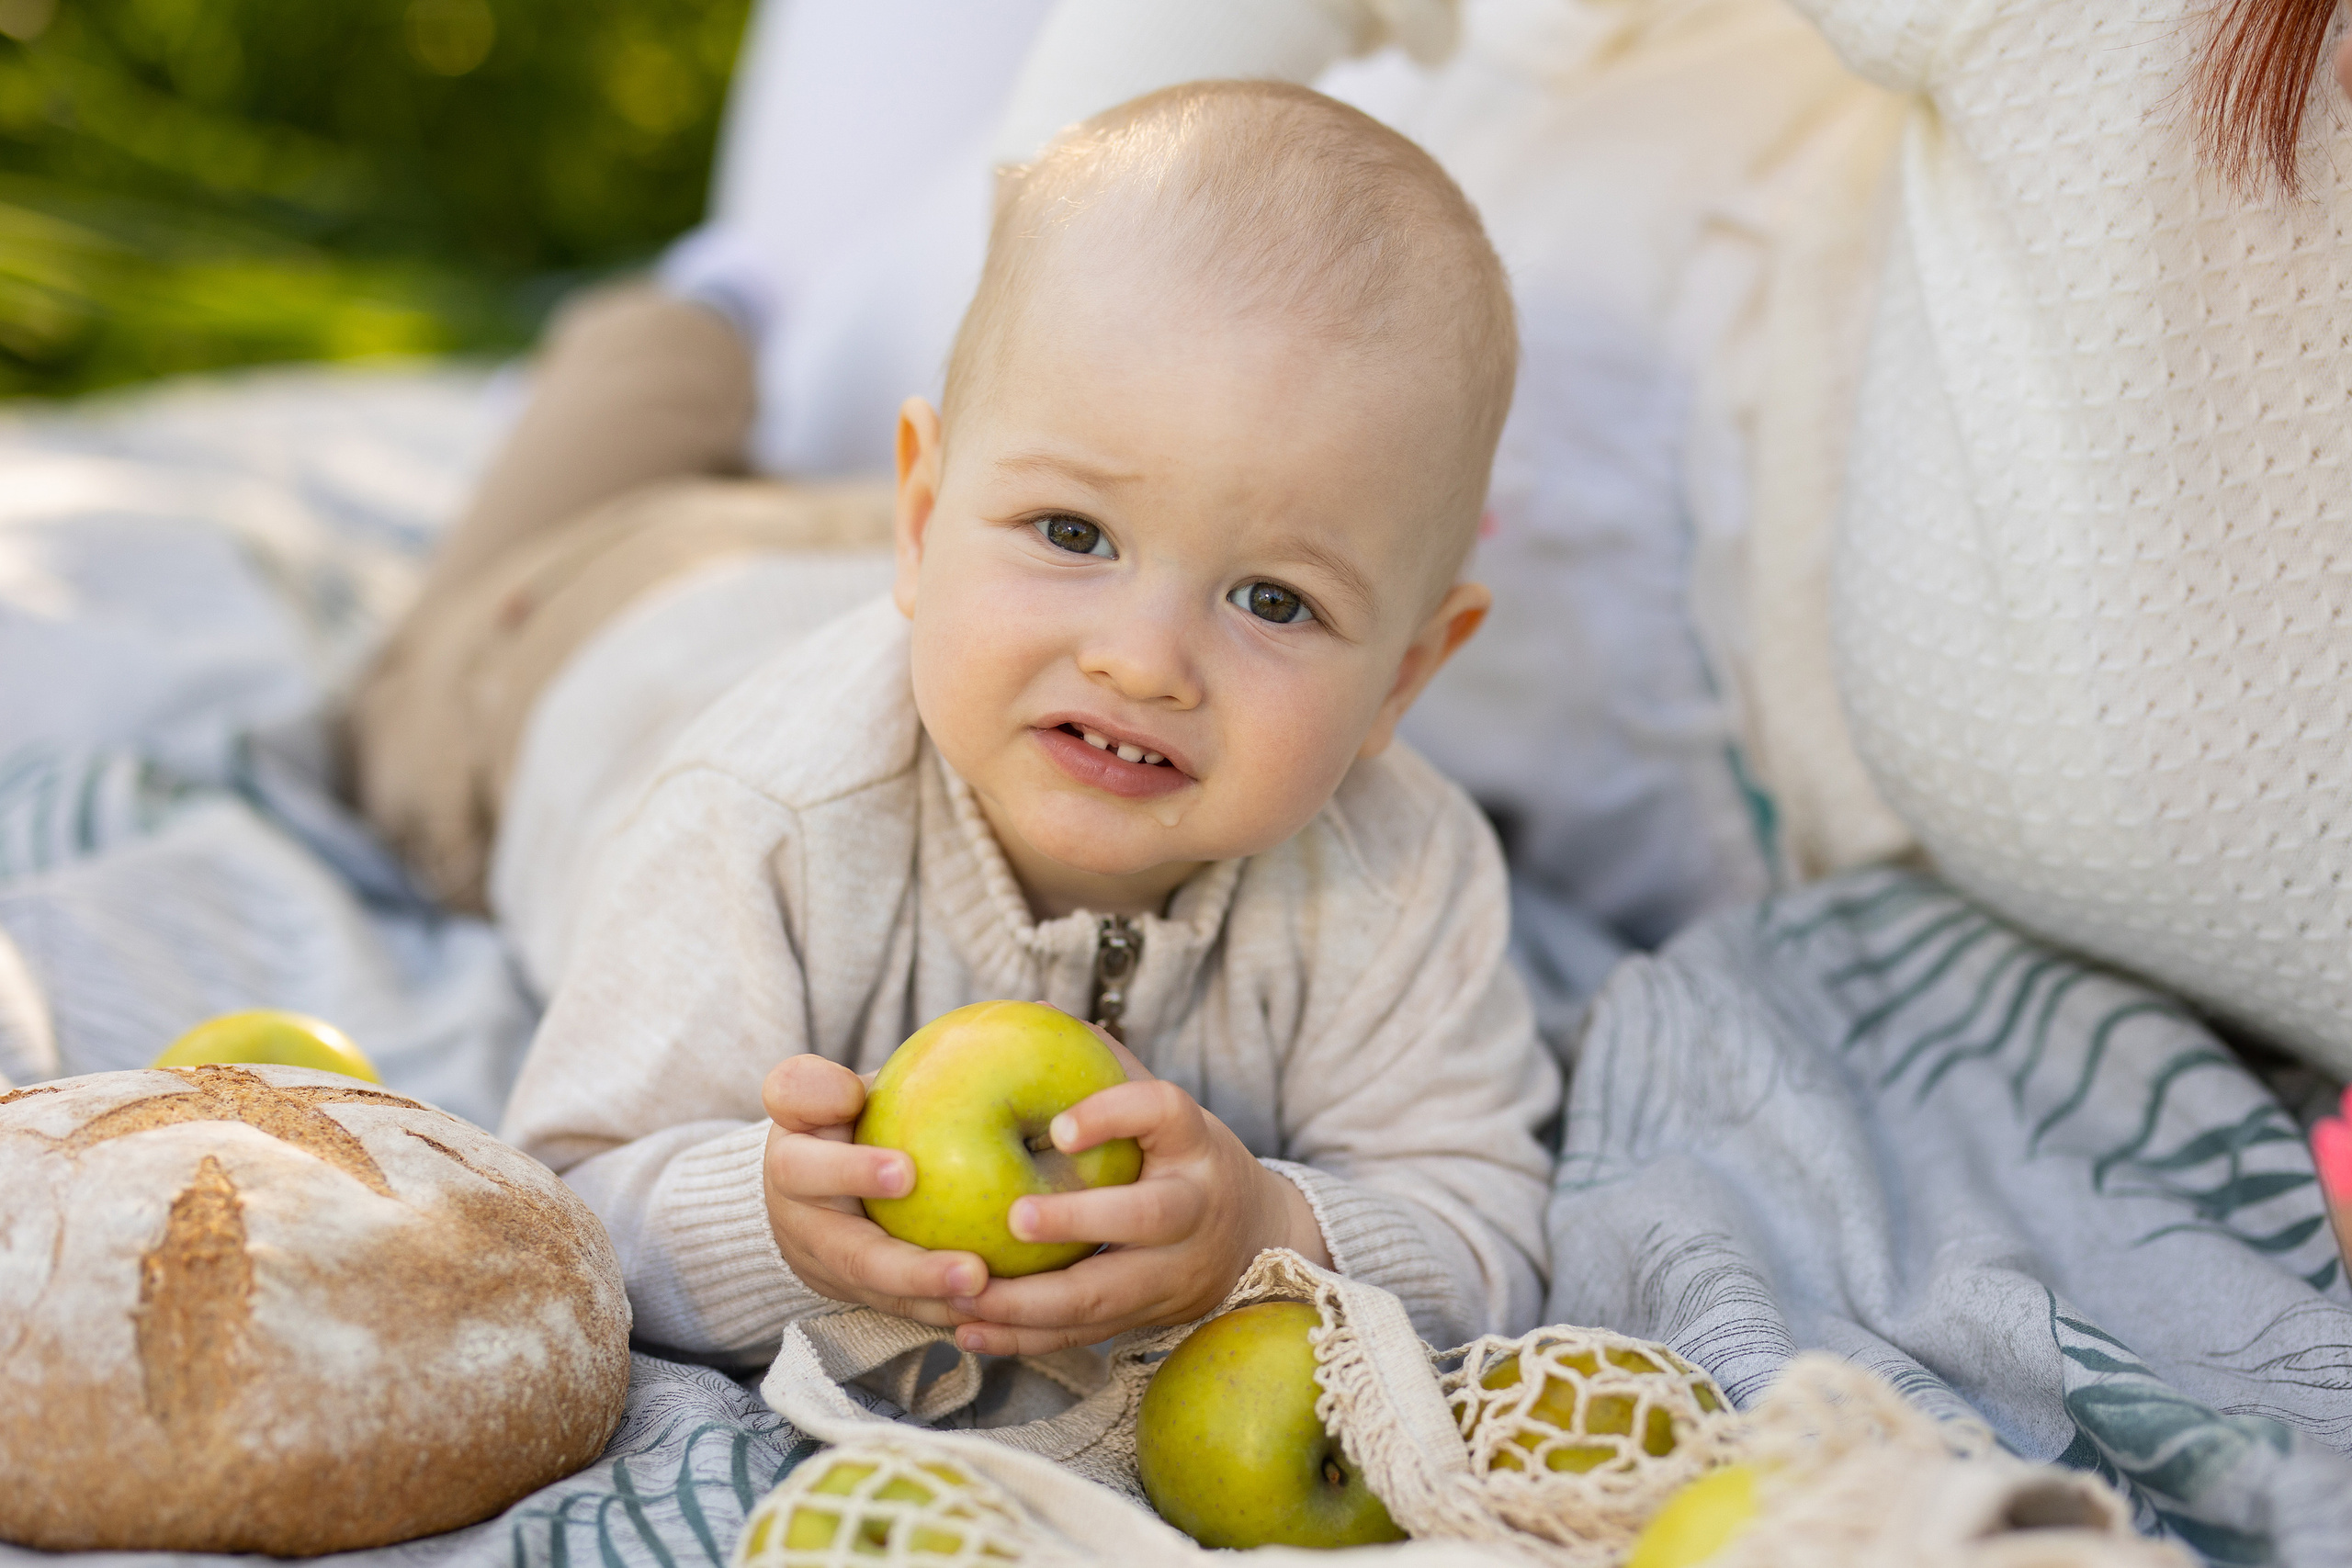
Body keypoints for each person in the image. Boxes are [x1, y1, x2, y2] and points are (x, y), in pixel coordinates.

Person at [458, 82, 1555, 1373]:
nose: (1142, 660)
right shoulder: (762, 815)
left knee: (896, 525)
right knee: (578, 490)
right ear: (922, 525)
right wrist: (764, 1218)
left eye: (1275, 600)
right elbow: (566, 1196)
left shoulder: (1399, 881)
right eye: (1074, 533)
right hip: (579, 648)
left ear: (1407, 676)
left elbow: (1492, 1242)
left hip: (893, 596)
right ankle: (693, 317)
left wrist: (1272, 1230)